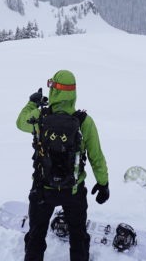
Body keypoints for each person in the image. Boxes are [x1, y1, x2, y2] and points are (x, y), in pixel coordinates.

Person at [16, 69, 109, 261]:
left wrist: (32, 102)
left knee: (36, 237)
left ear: (54, 91)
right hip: (73, 191)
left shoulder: (39, 117)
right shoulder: (84, 121)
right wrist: (103, 183)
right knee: (78, 237)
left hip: (43, 189)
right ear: (73, 92)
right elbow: (96, 156)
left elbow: (20, 122)